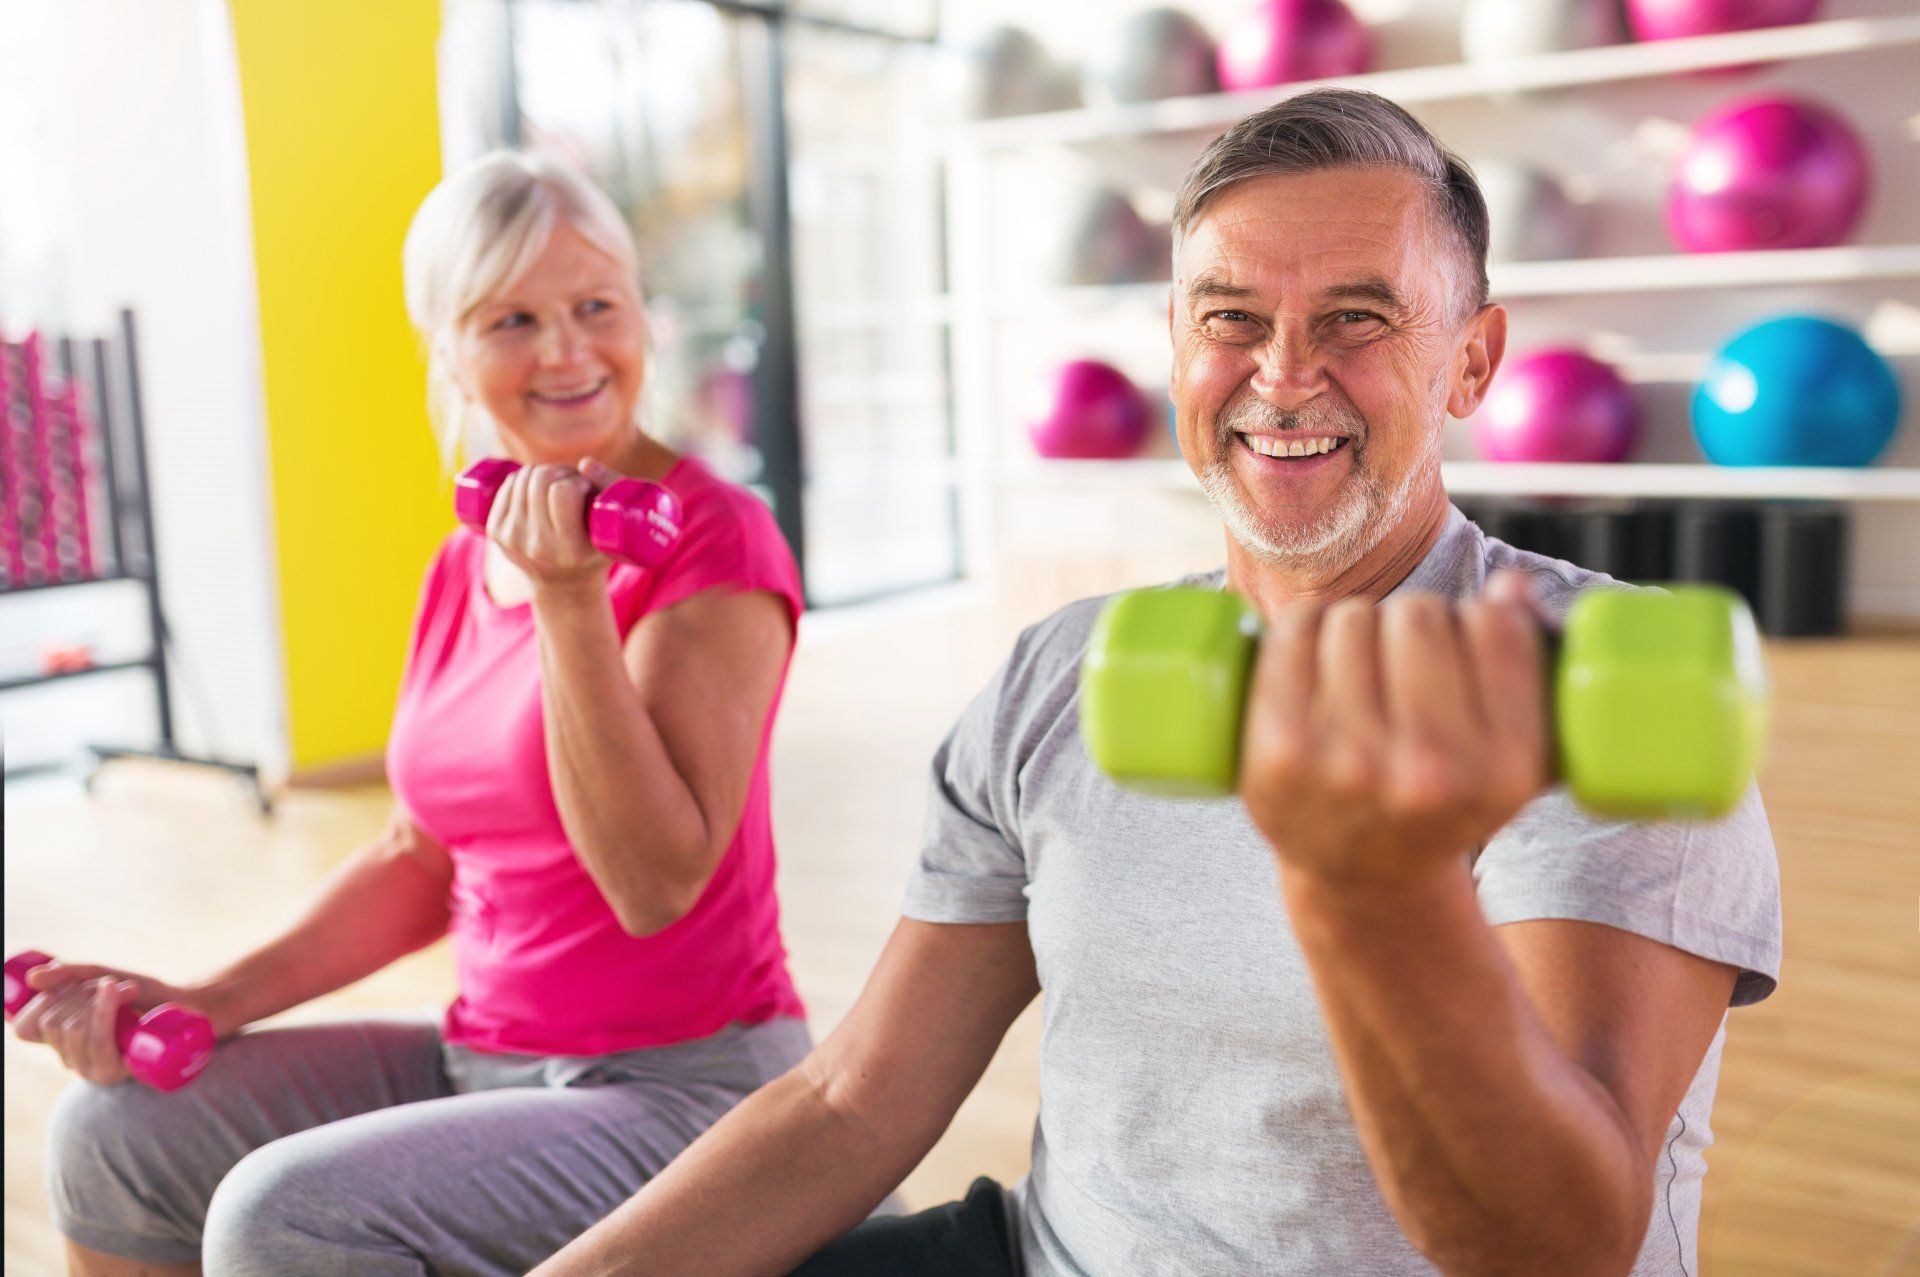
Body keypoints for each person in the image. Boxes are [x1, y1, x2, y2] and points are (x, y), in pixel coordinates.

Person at [533, 89, 1782, 1277]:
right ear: (1176, 343)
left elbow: (1558, 1250)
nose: (1284, 373)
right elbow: (855, 1097)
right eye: (1231, 316)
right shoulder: (1059, 672)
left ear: (1471, 361)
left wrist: (1380, 892)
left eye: (1358, 317)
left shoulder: (1589, 685)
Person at [13, 150, 812, 1276]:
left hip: (687, 1089)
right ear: (450, 348)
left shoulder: (714, 538)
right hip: (483, 1055)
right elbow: (418, 852)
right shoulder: (459, 562)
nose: (567, 350)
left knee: (285, 1215)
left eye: (596, 306)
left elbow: (655, 882)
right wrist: (209, 996)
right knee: (113, 1137)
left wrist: (568, 597)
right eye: (513, 318)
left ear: (644, 318)